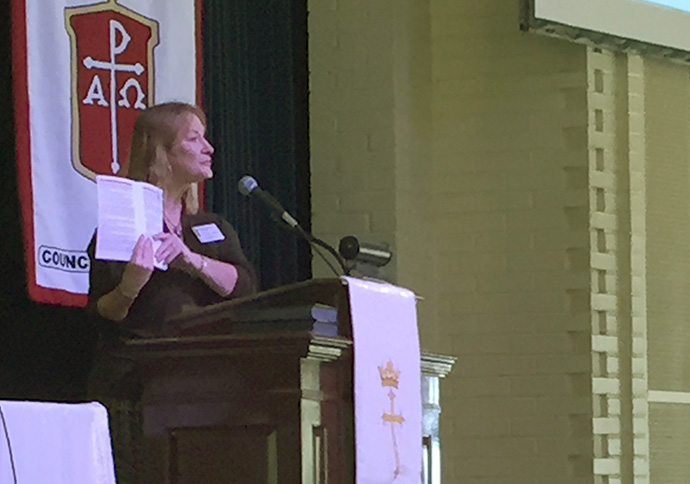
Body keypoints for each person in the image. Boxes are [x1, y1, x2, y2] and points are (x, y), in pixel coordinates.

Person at [86, 102, 257, 484]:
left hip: (204, 390)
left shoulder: (211, 227)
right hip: (136, 390)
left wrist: (192, 260)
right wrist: (131, 285)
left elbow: (244, 287)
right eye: (193, 139)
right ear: (161, 152)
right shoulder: (120, 229)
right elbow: (103, 313)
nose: (208, 148)